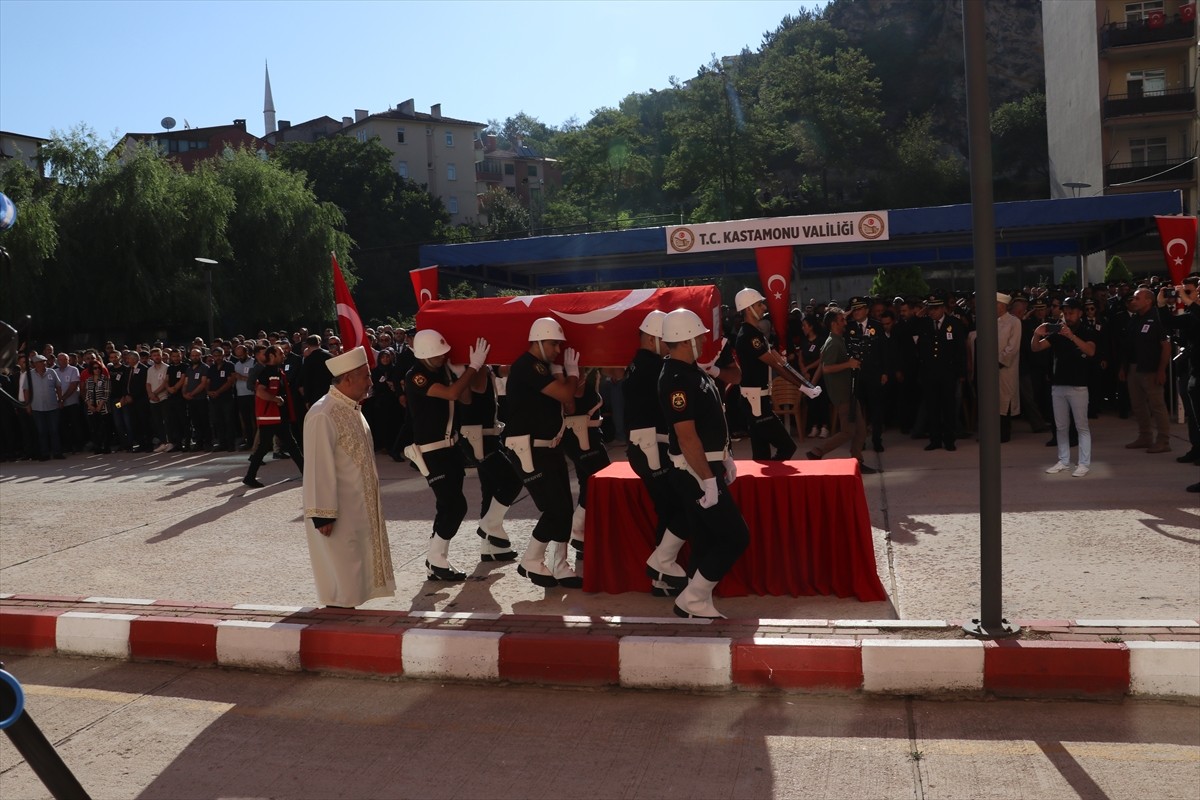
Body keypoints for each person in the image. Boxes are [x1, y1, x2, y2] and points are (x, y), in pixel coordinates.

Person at [658, 308, 749, 619]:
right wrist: (708, 479)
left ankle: (696, 604)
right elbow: (687, 437)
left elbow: (711, 423)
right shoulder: (675, 378)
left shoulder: (692, 371)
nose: (701, 340)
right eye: (697, 336)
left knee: (707, 536)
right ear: (685, 339)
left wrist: (725, 457)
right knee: (736, 536)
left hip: (704, 466)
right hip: (693, 471)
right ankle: (693, 599)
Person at [302, 346, 396, 608]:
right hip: (336, 509)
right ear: (347, 379)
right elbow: (318, 466)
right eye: (365, 376)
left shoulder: (352, 408)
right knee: (342, 573)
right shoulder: (323, 413)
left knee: (355, 566)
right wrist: (323, 512)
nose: (369, 382)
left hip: (358, 505)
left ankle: (349, 614)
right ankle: (339, 621)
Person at [403, 330, 492, 581]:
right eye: (439, 354)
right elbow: (452, 394)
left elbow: (464, 397)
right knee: (455, 506)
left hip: (450, 448)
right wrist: (473, 367)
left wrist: (459, 372)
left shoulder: (440, 370)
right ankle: (435, 559)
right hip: (432, 451)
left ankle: (437, 560)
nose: (444, 357)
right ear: (426, 355)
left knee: (447, 505)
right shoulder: (416, 376)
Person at [502, 317, 583, 589]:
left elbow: (569, 403)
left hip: (548, 447)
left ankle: (559, 564)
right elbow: (565, 394)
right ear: (537, 341)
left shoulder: (544, 368)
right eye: (553, 344)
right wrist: (571, 374)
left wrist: (561, 373)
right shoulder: (528, 366)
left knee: (565, 510)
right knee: (555, 509)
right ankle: (531, 559)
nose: (557, 349)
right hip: (529, 449)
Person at [625, 310, 690, 597]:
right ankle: (660, 565)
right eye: (667, 339)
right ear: (653, 338)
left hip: (645, 446)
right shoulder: (654, 367)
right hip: (653, 447)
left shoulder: (638, 365)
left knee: (668, 509)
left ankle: (661, 577)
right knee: (680, 507)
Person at [733, 287, 818, 460]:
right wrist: (803, 387)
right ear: (748, 309)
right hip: (755, 402)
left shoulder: (754, 333)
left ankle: (765, 486)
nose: (764, 308)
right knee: (787, 447)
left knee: (761, 455)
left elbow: (779, 361)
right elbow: (777, 366)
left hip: (758, 400)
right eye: (759, 305)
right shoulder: (750, 336)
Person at [456, 356, 522, 564]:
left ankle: (490, 548)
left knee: (491, 489)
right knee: (513, 480)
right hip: (478, 439)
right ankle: (489, 525)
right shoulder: (470, 370)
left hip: (490, 437)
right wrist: (477, 365)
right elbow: (470, 393)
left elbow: (507, 368)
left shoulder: (485, 367)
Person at [805, 308, 877, 473]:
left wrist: (811, 386)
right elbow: (826, 368)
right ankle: (817, 451)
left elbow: (821, 363)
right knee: (848, 431)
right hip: (842, 394)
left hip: (848, 392)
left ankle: (857, 461)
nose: (845, 322)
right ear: (833, 324)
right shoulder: (833, 343)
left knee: (860, 429)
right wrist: (848, 364)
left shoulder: (835, 339)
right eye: (842, 320)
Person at [1033, 297, 1096, 477]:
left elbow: (1090, 351)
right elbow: (1036, 348)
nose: (1068, 316)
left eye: (1072, 313)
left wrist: (1072, 336)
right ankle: (1063, 460)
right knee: (1061, 427)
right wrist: (1037, 333)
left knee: (1081, 426)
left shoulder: (1087, 330)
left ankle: (1084, 463)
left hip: (1079, 386)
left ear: (1079, 313)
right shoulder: (1058, 331)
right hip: (1058, 385)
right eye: (1066, 313)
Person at [242, 345, 304, 488]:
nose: (284, 355)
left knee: (289, 445)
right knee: (273, 447)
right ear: (272, 356)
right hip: (271, 417)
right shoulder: (267, 373)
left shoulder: (276, 371)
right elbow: (260, 392)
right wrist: (276, 399)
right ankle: (249, 477)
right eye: (281, 353)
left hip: (276, 417)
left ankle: (250, 477)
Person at [1120, 287, 1172, 453]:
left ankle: (1163, 440)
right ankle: (1145, 436)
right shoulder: (1135, 318)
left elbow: (1165, 347)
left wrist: (1162, 370)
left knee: (1157, 405)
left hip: (1151, 369)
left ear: (1148, 301)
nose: (1133, 301)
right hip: (1134, 368)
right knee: (1138, 405)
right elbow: (1128, 346)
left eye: (1136, 298)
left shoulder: (1157, 318)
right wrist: (1123, 367)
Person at [915, 294, 967, 452]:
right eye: (930, 308)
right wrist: (918, 316)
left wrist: (961, 372)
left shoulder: (954, 324)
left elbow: (960, 350)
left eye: (935, 308)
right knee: (932, 407)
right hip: (930, 373)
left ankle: (949, 439)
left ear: (943, 308)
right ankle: (935, 439)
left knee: (949, 407)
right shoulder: (923, 324)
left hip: (948, 372)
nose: (932, 312)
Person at [22, 354, 63, 460]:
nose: (43, 363)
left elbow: (58, 386)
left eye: (44, 361)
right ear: (35, 364)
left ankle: (57, 452)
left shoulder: (52, 372)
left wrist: (60, 399)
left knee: (54, 430)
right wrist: (28, 405)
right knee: (41, 431)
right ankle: (45, 454)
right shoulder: (29, 375)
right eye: (40, 362)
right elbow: (26, 390)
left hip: (53, 406)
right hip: (37, 407)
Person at [995, 293, 1022, 443]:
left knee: (1005, 400)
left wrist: (999, 361)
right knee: (991, 400)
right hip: (990, 369)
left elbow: (1013, 347)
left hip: (1006, 368)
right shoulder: (990, 320)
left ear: (1003, 305)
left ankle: (1004, 434)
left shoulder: (1014, 322)